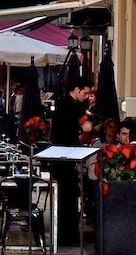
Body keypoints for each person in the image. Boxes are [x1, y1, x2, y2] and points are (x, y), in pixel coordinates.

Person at [50, 76, 92, 246]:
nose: (88, 96)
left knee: (65, 197)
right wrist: (84, 128)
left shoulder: (63, 103)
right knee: (67, 198)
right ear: (76, 90)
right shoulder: (71, 106)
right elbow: (77, 128)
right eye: (86, 92)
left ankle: (64, 235)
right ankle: (67, 236)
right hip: (66, 158)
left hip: (62, 157)